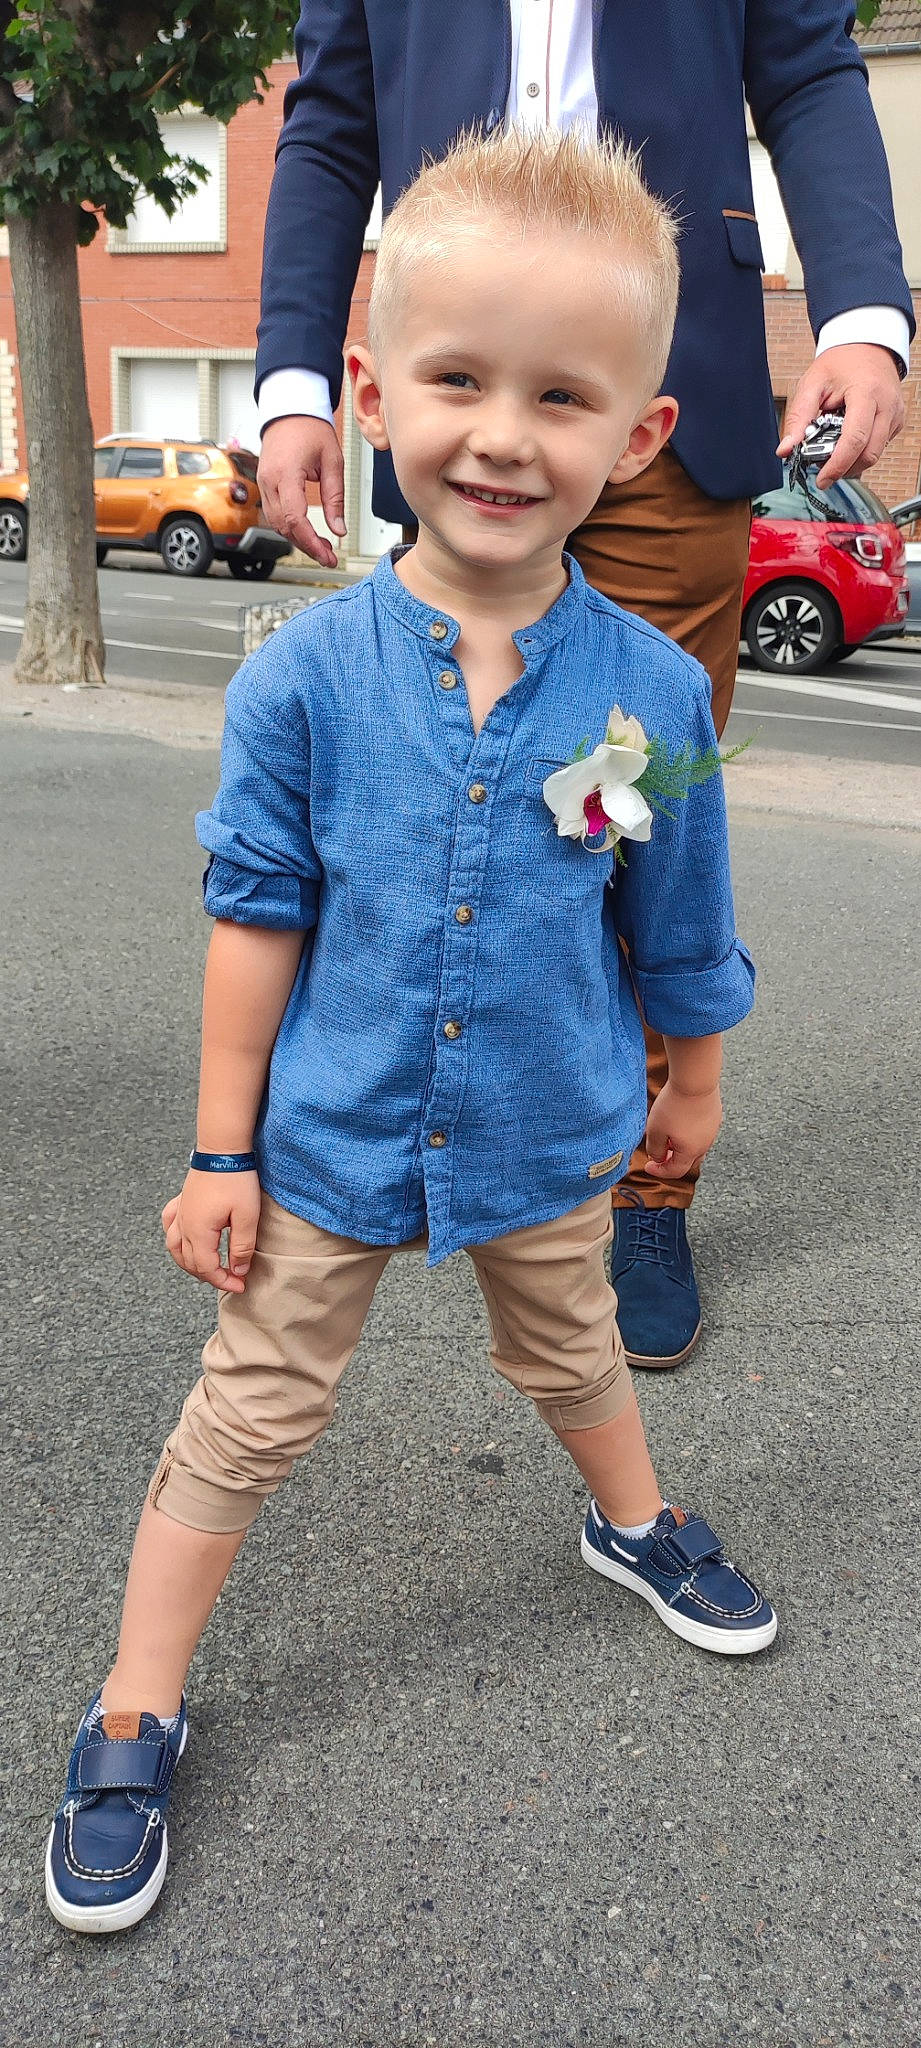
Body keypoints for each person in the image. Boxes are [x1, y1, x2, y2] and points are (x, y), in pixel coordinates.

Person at [46, 127, 776, 1938]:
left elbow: (669, 913)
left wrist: (692, 1082)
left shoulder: (650, 693)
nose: (503, 437)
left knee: (577, 1347)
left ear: (638, 438)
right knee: (248, 1407)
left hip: (551, 1127)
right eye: (456, 380)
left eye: (562, 396)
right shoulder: (297, 675)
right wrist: (219, 1149)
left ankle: (630, 1522)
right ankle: (136, 1697)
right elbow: (253, 916)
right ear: (372, 391)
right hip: (328, 1140)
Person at [255, 0, 914, 1370]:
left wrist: (860, 313)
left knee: (616, 805)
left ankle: (643, 1183)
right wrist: (291, 384)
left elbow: (803, 63)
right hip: (460, 372)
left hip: (656, 384)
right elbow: (327, 126)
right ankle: (484, 1125)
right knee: (462, 795)